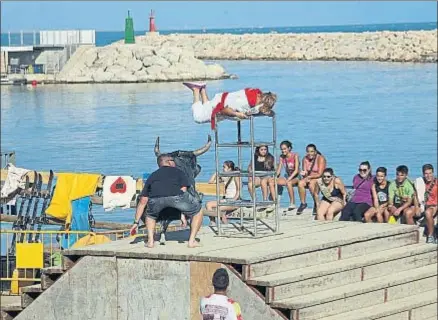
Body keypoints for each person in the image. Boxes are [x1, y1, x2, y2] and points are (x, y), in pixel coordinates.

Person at [130, 154, 204, 248]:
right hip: (176, 197)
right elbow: (184, 190)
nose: (175, 162)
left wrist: (136, 222)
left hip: (156, 200)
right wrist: (183, 214)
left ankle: (150, 241)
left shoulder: (153, 175)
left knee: (150, 216)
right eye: (173, 160)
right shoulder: (179, 172)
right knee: (198, 210)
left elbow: (143, 201)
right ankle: (192, 241)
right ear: (169, 162)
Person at [183, 81, 277, 129]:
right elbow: (225, 110)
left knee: (206, 108)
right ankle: (196, 90)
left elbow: (254, 111)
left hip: (221, 100)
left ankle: (202, 88)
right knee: (198, 118)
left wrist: (266, 113)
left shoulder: (254, 97)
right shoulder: (243, 102)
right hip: (220, 107)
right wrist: (237, 114)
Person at [268, 140, 300, 212]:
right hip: (287, 176)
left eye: (285, 149)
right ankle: (274, 202)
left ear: (289, 148)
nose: (283, 151)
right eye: (282, 149)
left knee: (289, 183)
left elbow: (297, 170)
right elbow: (279, 169)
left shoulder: (295, 155)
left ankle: (292, 203)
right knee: (271, 182)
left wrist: (290, 178)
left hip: (296, 177)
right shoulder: (282, 157)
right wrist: (275, 177)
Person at [206, 161, 241, 225]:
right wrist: (216, 173)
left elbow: (239, 191)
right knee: (208, 204)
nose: (223, 168)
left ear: (229, 169)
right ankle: (213, 222)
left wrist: (233, 200)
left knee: (218, 208)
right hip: (225, 199)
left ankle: (225, 224)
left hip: (234, 200)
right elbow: (211, 182)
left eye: (224, 167)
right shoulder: (224, 177)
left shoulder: (235, 176)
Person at [296, 144, 327, 215]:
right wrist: (304, 173)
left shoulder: (320, 158)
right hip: (309, 177)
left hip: (318, 177)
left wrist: (310, 177)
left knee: (311, 184)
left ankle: (316, 203)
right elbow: (305, 171)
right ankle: (303, 203)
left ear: (315, 152)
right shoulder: (305, 159)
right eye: (308, 151)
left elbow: (320, 173)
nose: (310, 153)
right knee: (300, 183)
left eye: (312, 151)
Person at [415, 164, 437, 243]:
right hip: (424, 206)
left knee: (428, 212)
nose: (428, 176)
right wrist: (417, 207)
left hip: (434, 206)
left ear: (433, 173)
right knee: (409, 213)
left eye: (430, 173)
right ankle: (413, 234)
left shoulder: (436, 183)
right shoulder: (420, 182)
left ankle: (430, 236)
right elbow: (415, 195)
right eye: (426, 173)